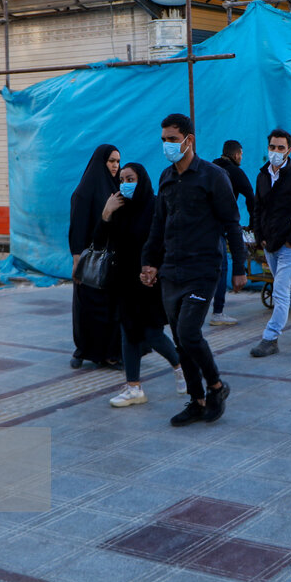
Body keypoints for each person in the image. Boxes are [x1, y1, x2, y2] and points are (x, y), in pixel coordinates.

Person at [141, 113, 245, 426]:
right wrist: (149, 261)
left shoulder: (213, 176)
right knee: (180, 337)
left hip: (203, 268)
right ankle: (196, 400)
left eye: (172, 139)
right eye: (163, 140)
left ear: (189, 141)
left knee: (189, 332)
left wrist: (239, 266)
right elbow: (159, 224)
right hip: (172, 269)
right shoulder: (166, 178)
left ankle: (216, 386)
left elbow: (231, 223)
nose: (167, 145)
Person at [93, 163, 187, 406]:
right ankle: (134, 388)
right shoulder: (119, 208)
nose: (125, 183)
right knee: (129, 333)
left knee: (152, 333)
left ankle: (181, 366)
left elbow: (167, 240)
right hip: (122, 281)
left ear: (141, 179)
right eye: (122, 178)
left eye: (130, 178)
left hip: (149, 279)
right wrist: (106, 213)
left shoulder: (155, 205)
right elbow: (99, 241)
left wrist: (158, 268)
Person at [250, 129, 291, 357]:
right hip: (270, 243)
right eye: (272, 147)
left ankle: (271, 338)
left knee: (279, 290)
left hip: (289, 245)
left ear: (289, 150)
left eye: (280, 148)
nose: (276, 152)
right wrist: (260, 237)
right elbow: (257, 208)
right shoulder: (262, 176)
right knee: (286, 288)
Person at [68, 144, 123, 369]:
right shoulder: (85, 191)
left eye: (118, 161)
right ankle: (83, 350)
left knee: (111, 308)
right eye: (111, 161)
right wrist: (77, 259)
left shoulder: (117, 188)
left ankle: (111, 353)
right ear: (101, 162)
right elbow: (78, 226)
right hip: (90, 259)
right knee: (88, 307)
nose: (115, 166)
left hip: (113, 260)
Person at [211, 140, 256, 326]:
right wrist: (253, 224)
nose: (241, 158)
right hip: (221, 226)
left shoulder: (210, 167)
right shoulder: (235, 172)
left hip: (202, 227)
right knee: (222, 269)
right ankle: (218, 312)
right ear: (237, 154)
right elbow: (250, 196)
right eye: (241, 155)